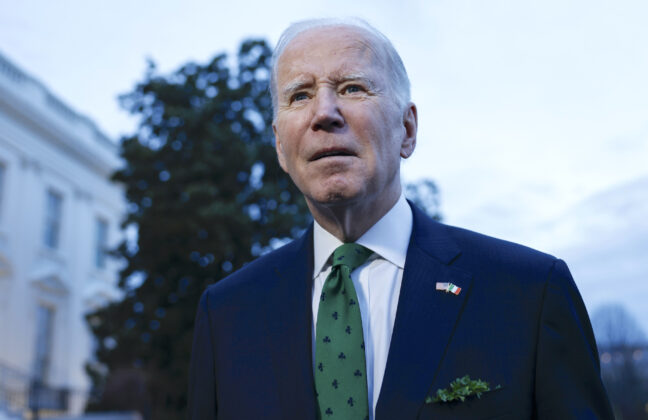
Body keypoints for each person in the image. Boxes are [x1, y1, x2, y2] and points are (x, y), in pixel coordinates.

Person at [188, 18, 614, 420]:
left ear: (407, 130)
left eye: (352, 88)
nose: (324, 113)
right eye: (300, 95)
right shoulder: (225, 315)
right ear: (280, 147)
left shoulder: (529, 292)